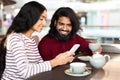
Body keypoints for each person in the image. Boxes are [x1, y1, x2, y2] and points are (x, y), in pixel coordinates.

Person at [0, 2, 75, 79]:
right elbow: (25, 72)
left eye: (45, 19)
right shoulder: (15, 38)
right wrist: (56, 61)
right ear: (30, 17)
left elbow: (39, 64)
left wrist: (59, 59)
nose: (44, 23)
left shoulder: (31, 40)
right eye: (41, 19)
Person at [38, 7, 102, 61]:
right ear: (55, 23)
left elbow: (88, 46)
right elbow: (45, 68)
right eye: (61, 24)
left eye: (69, 25)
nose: (65, 28)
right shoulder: (44, 44)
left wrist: (96, 49)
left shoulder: (74, 37)